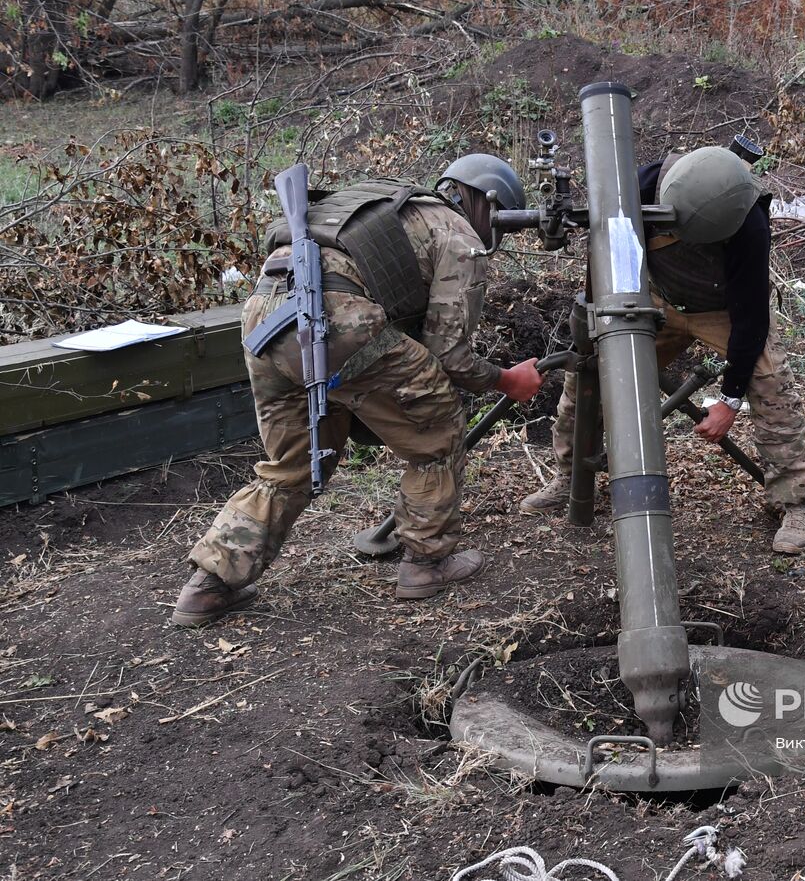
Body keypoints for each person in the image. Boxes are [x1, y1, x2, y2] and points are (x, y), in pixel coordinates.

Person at [171, 155, 543, 627]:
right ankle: (426, 564)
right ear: (488, 202)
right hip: (336, 321)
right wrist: (507, 380)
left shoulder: (381, 202)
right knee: (437, 432)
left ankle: (208, 586)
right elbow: (449, 355)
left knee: (289, 467)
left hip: (264, 322)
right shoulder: (457, 231)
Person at [520, 146, 805, 554]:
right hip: (654, 299)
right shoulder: (639, 188)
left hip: (721, 308)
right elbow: (602, 258)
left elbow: (751, 316)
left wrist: (729, 400)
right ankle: (573, 476)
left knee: (771, 385)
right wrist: (598, 328)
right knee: (588, 379)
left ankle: (795, 503)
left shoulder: (748, 220)